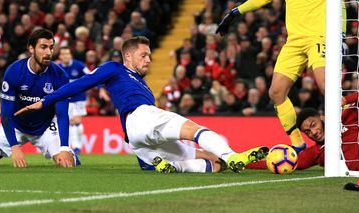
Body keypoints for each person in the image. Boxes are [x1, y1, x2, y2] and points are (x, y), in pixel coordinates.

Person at [15, 36, 268, 173]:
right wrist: (46, 101)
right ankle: (234, 156)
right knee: (194, 129)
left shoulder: (144, 86)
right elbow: (79, 84)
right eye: (143, 55)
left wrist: (144, 157)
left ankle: (176, 166)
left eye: (149, 55)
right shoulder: (115, 68)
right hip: (140, 118)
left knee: (214, 163)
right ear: (128, 56)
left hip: (137, 139)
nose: (148, 59)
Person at [216, 0, 345, 153]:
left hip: (320, 37)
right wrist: (237, 12)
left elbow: (339, 1)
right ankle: (298, 142)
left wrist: (341, 34)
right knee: (276, 92)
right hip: (294, 41)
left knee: (327, 86)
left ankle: (344, 134)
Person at [0, 28, 75, 168]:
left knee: (68, 164)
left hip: (46, 126)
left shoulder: (60, 76)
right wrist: (14, 146)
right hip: (16, 125)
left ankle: (71, 155)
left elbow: (62, 114)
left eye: (51, 47)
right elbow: (6, 114)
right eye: (43, 47)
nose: (48, 52)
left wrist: (64, 148)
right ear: (31, 48)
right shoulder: (14, 71)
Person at [57, 46, 89, 154]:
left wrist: (100, 88)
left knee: (76, 121)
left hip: (78, 99)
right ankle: (70, 146)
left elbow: (91, 76)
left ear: (71, 55)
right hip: (64, 100)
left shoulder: (79, 66)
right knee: (68, 122)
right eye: (63, 54)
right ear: (60, 56)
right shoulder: (57, 68)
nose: (66, 56)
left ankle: (77, 147)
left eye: (67, 53)